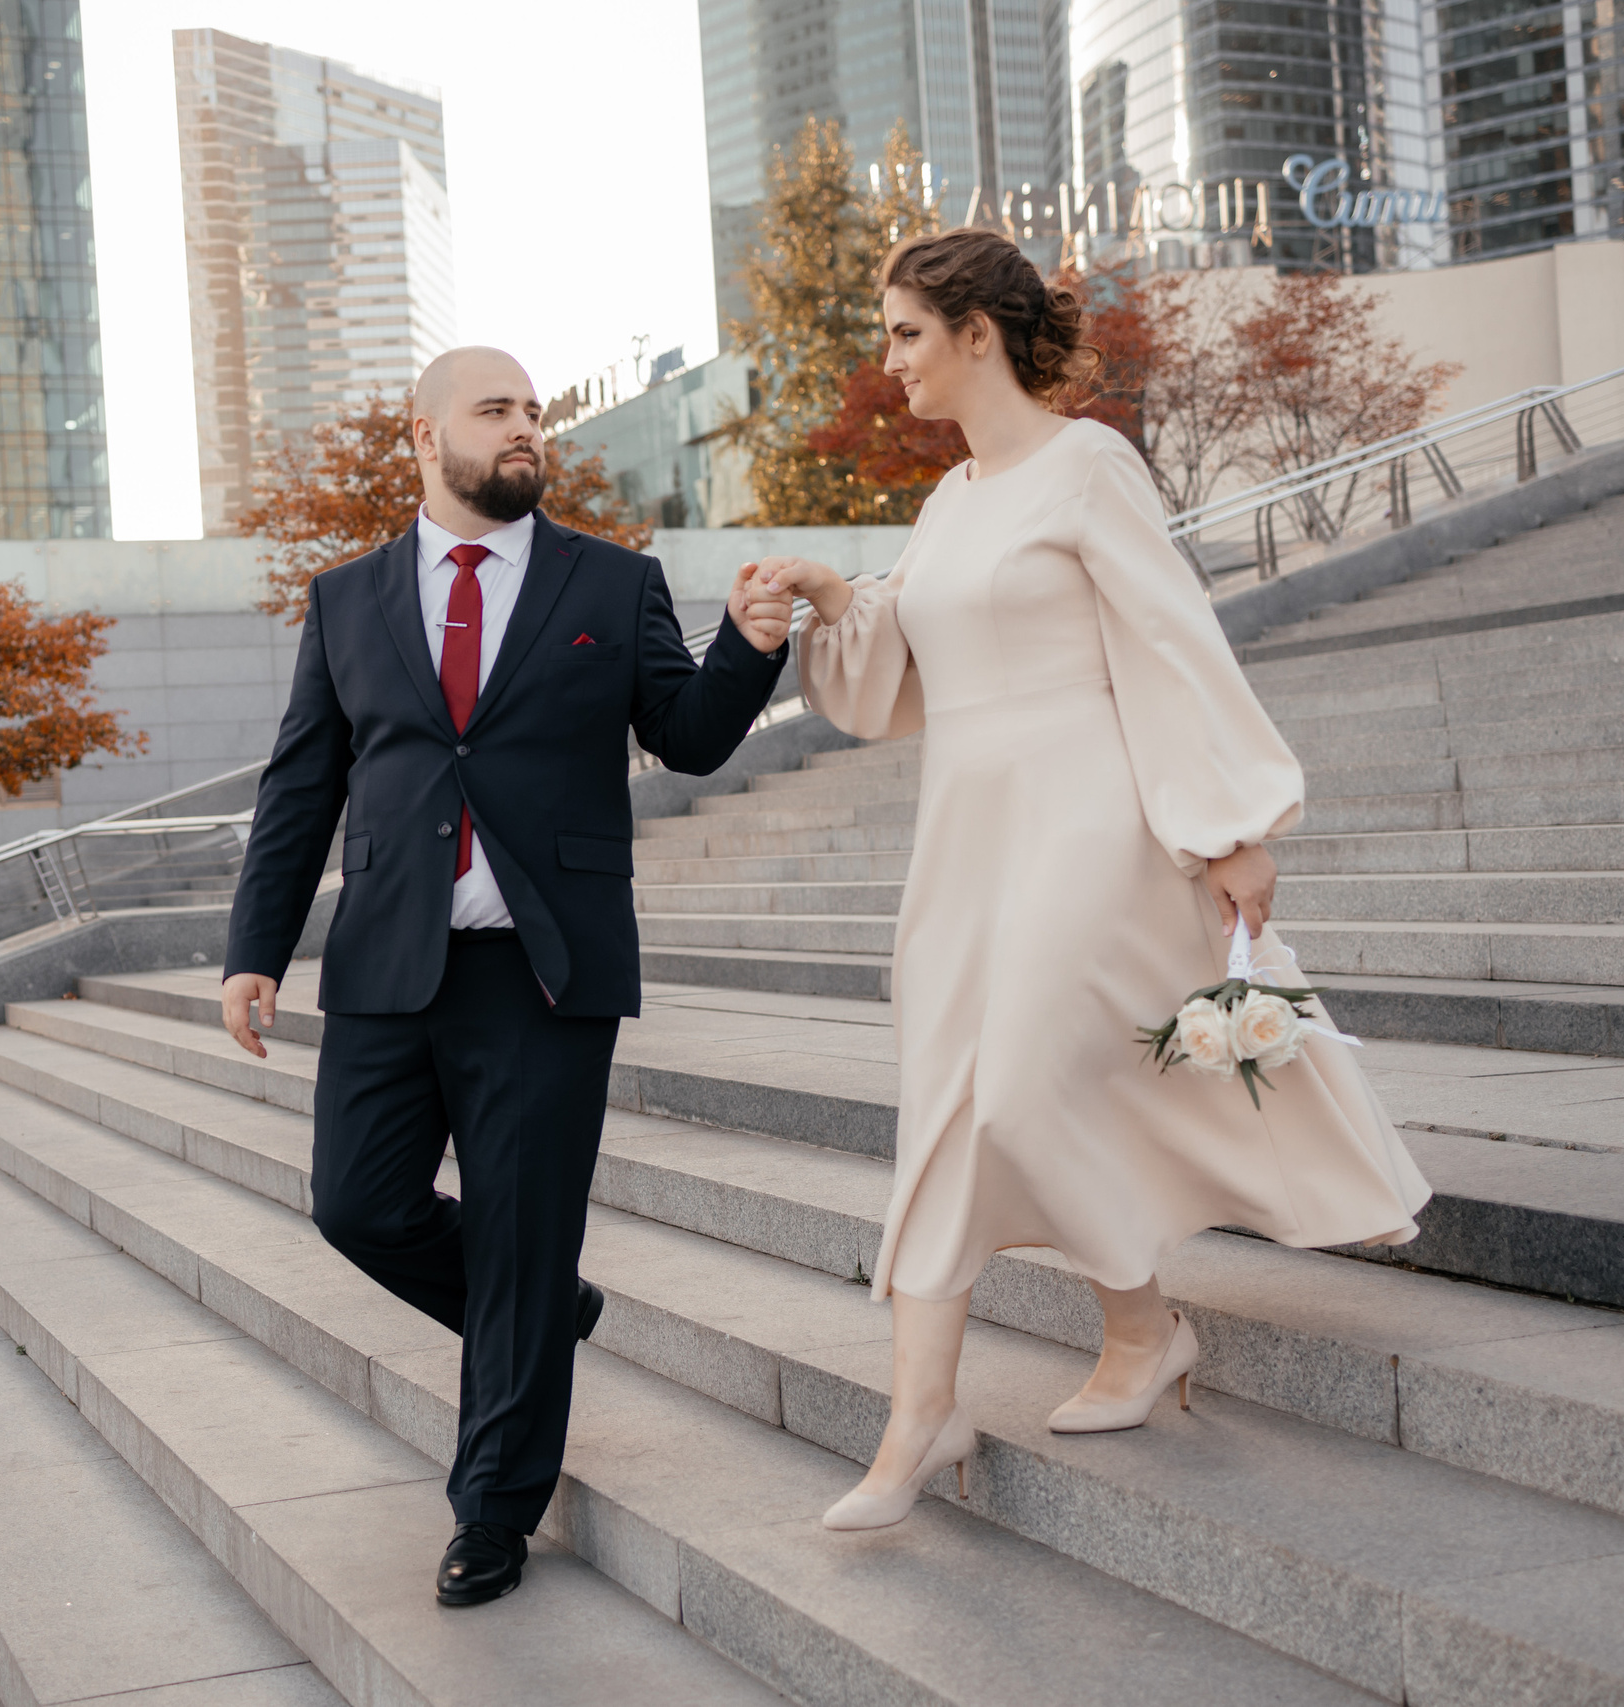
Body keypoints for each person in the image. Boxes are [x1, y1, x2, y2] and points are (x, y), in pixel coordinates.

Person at [755, 230, 1431, 1532]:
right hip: (967, 833)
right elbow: (900, 669)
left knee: (1006, 1085)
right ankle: (966, 1396)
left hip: (1086, 822)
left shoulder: (1088, 467)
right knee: (951, 1096)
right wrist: (838, 591)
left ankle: (1105, 1337)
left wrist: (1235, 822)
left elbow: (1170, 640)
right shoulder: (950, 504)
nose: (886, 359)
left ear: (975, 334)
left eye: (902, 332)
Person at [218, 346, 794, 1607]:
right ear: (424, 438)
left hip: (546, 970)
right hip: (386, 962)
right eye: (496, 412)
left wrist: (746, 649)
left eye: (534, 412)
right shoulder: (347, 599)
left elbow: (687, 739)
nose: (526, 429)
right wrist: (255, 951)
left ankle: (493, 1511)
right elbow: (301, 785)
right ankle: (541, 1311)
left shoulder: (611, 580)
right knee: (357, 1207)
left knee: (525, 1239)